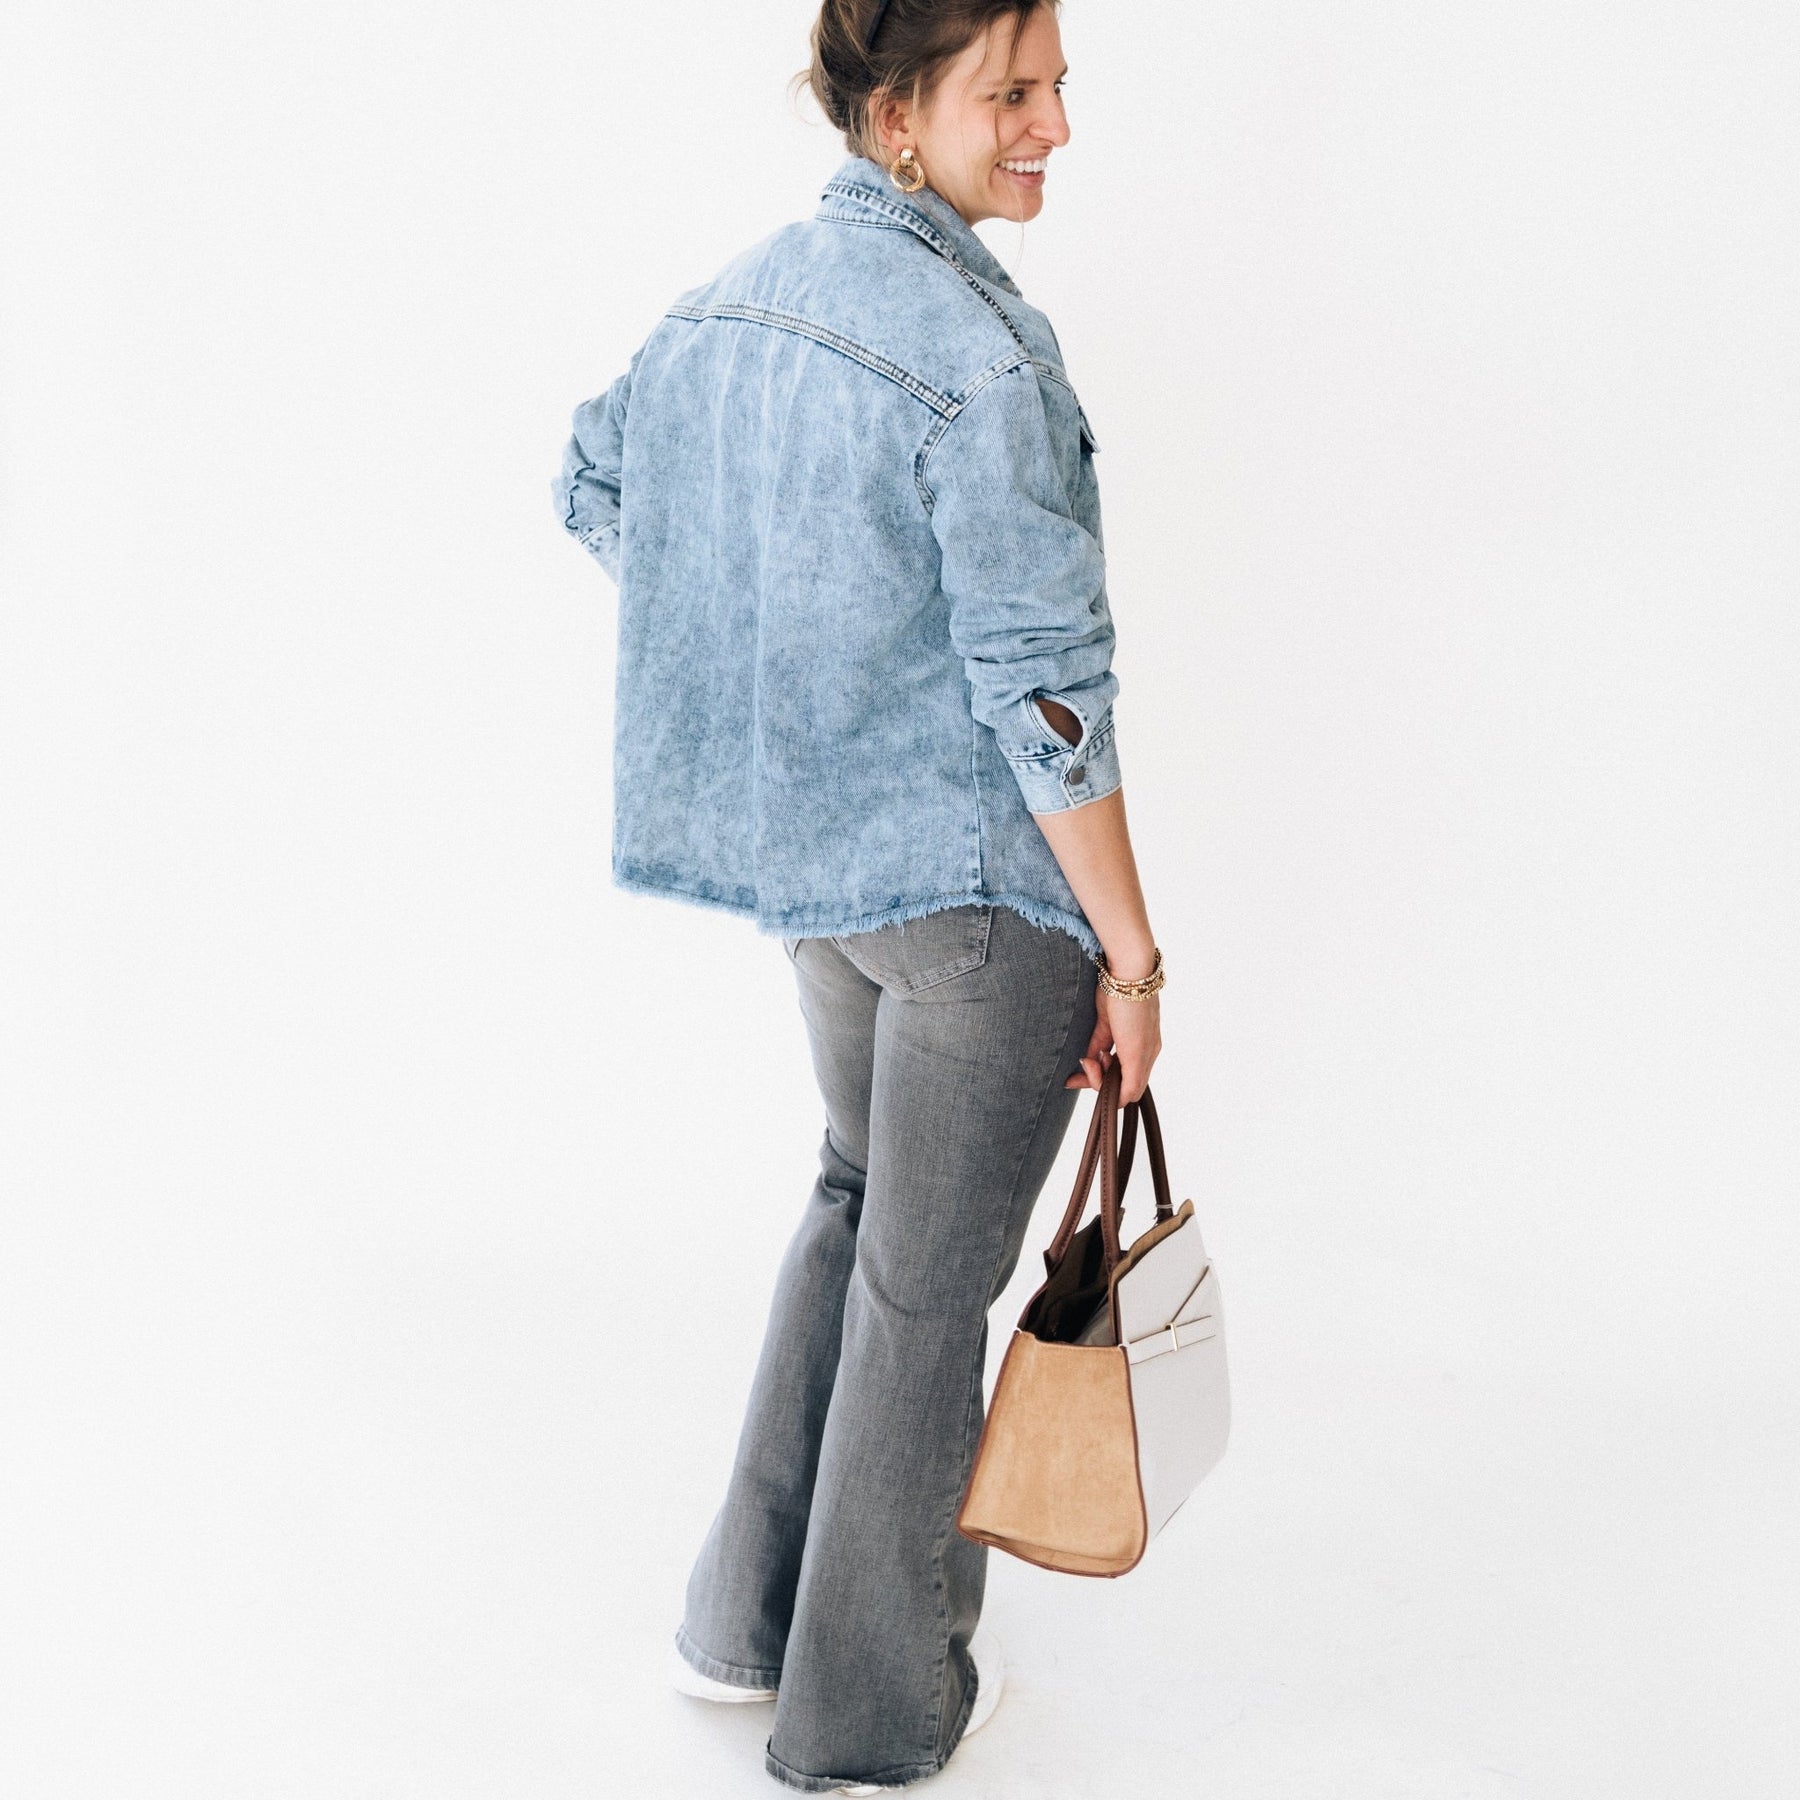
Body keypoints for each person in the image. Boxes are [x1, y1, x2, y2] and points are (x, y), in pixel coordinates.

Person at [552, 2, 1163, 1790]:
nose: (1055, 125)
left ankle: (742, 1627)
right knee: (922, 1286)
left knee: (855, 1198)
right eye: (1013, 92)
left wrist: (796, 670)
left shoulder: (724, 306)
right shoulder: (981, 361)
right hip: (977, 905)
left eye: (1058, 86)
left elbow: (597, 477)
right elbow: (1048, 694)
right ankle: (870, 1720)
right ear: (897, 116)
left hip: (825, 881)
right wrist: (1130, 957)